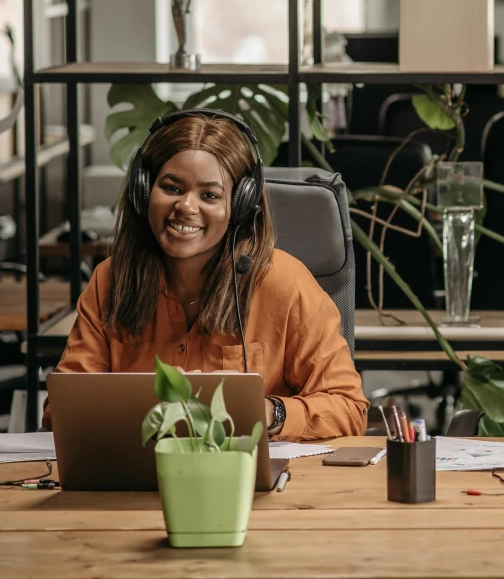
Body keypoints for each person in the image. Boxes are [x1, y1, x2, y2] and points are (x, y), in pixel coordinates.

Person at [42, 110, 368, 439]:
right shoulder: (110, 281)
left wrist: (273, 412)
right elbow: (61, 412)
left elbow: (349, 407)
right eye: (171, 188)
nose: (186, 206)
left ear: (240, 207)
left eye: (209, 195)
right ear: (144, 192)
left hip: (243, 480)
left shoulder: (284, 284)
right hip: (132, 481)